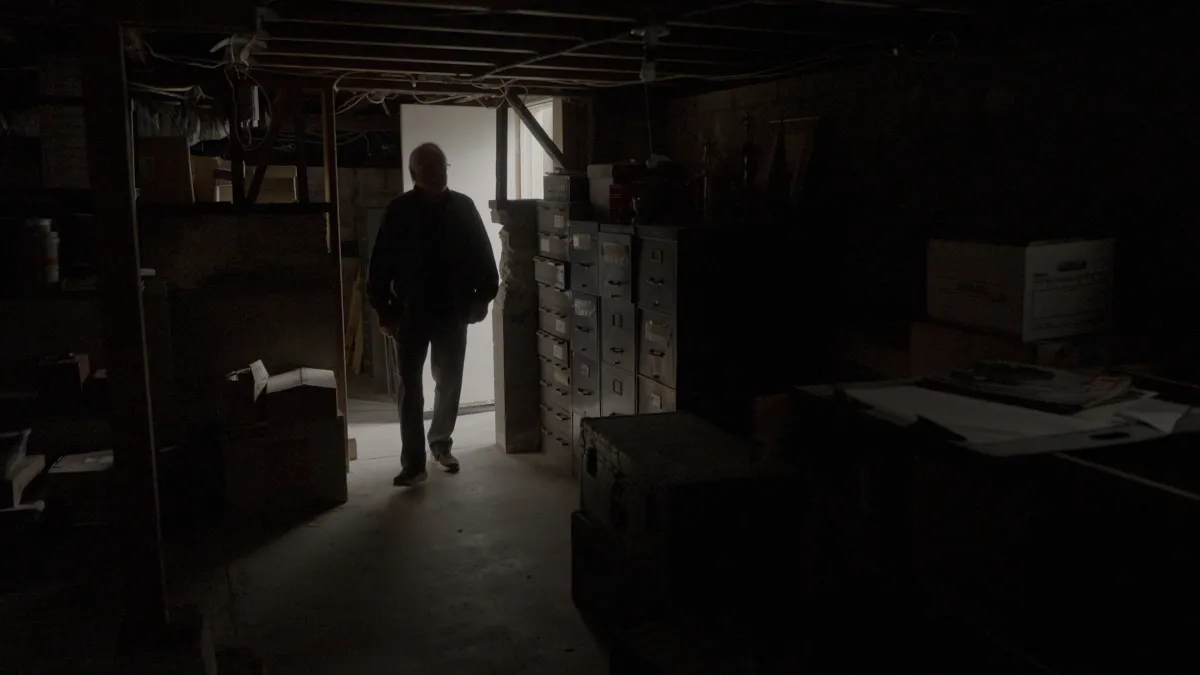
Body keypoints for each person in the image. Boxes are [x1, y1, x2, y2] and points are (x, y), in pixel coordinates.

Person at [367, 142, 498, 487]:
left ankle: (440, 444)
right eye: (429, 168)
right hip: (410, 313)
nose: (438, 173)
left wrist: (483, 298)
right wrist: (385, 310)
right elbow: (379, 265)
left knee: (448, 381)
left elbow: (484, 256)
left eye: (441, 166)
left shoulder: (463, 208)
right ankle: (413, 463)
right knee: (410, 389)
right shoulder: (398, 211)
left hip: (452, 311)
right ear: (414, 174)